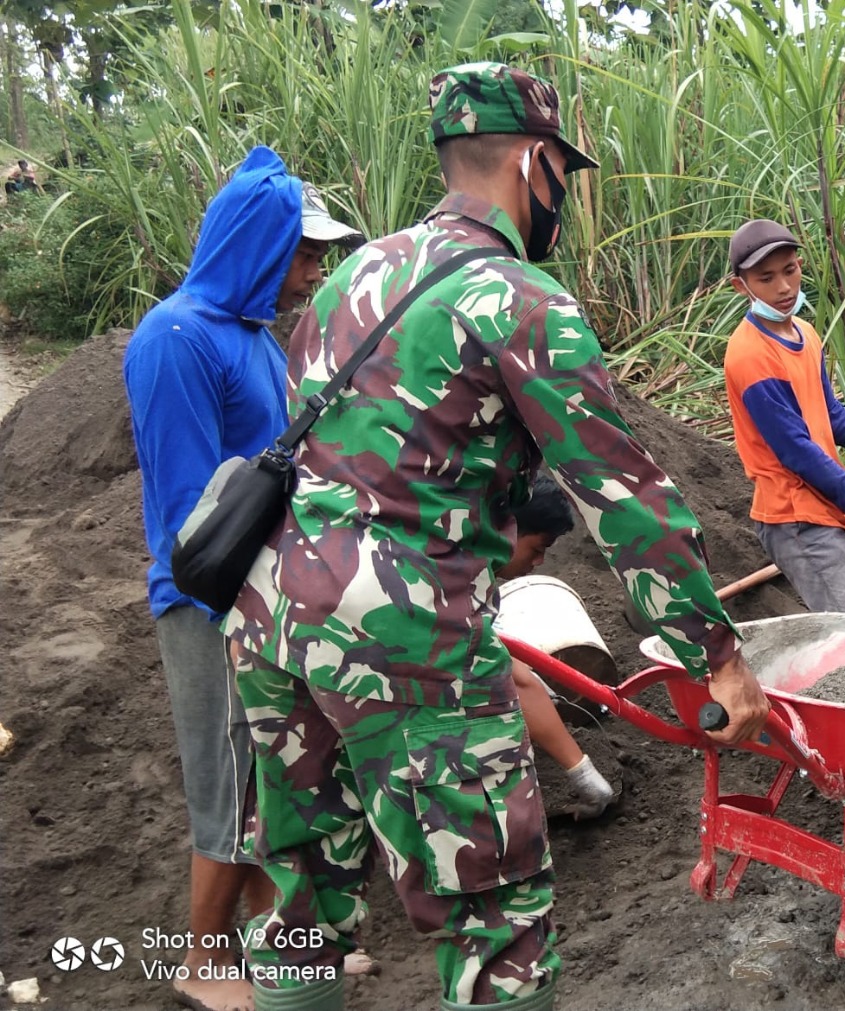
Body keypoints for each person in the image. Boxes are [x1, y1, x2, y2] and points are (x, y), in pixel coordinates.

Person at [223, 62, 770, 1011]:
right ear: (534, 161)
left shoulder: (355, 273)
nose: (563, 193)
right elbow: (624, 498)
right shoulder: (522, 300)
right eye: (564, 171)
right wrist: (713, 653)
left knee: (302, 894)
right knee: (493, 925)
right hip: (404, 630)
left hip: (272, 611)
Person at [122, 146, 363, 1011]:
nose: (311, 272)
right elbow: (193, 505)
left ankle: (279, 939)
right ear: (258, 245)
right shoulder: (177, 338)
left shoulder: (251, 336)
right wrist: (232, 603)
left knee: (273, 775)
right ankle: (202, 960)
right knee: (225, 773)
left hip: (266, 589)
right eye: (302, 253)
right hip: (207, 597)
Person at [723, 218, 845, 619]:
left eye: (789, 270)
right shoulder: (752, 357)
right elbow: (798, 452)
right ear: (741, 286)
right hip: (796, 521)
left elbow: (827, 416)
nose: (783, 288)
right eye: (766, 278)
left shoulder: (805, 335)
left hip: (829, 509)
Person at [496, 473, 615, 820]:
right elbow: (512, 678)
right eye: (537, 548)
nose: (539, 561)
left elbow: (515, 672)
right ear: (507, 528)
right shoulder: (447, 581)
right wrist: (583, 775)